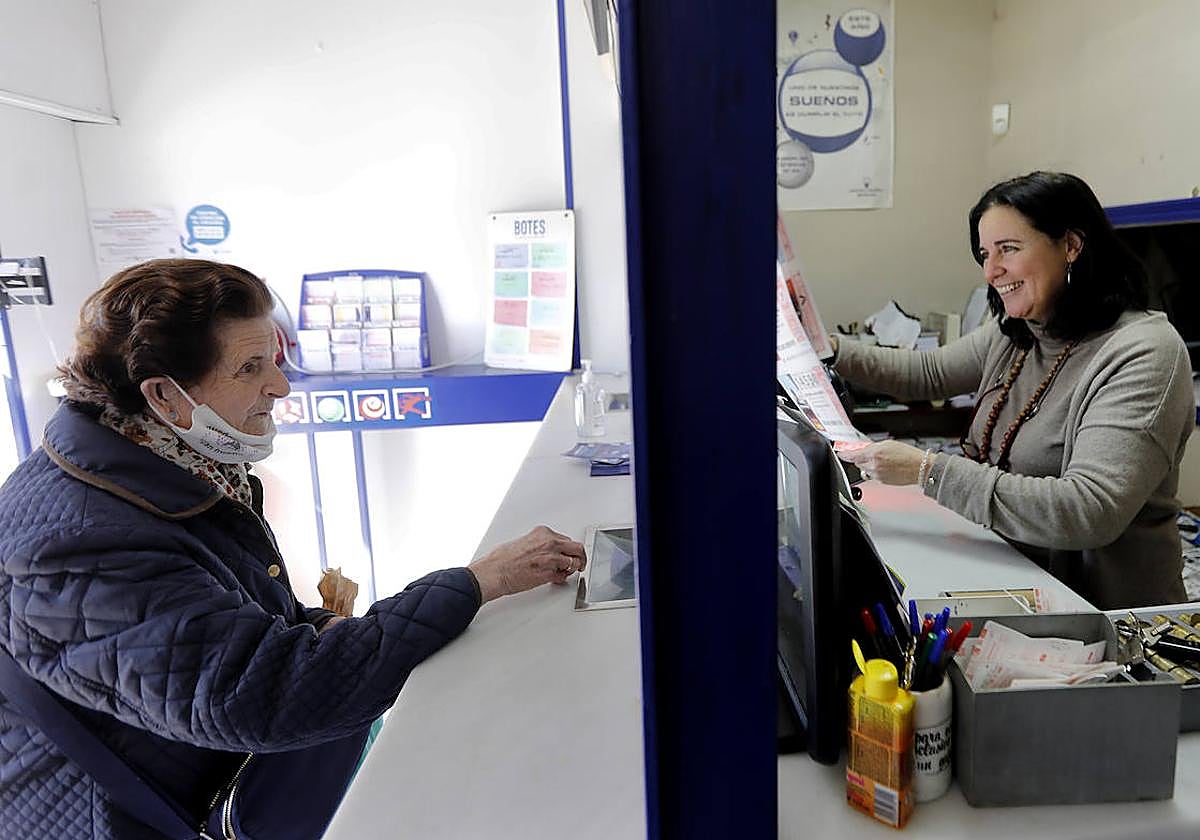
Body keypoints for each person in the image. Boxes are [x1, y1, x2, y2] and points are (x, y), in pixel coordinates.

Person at [0, 259, 587, 839]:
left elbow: (235, 624)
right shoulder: (82, 543)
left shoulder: (160, 466)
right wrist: (475, 584)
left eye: (275, 357)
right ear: (165, 396)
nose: (279, 386)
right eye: (251, 367)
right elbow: (259, 692)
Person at [834, 171, 1192, 610]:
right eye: (985, 254)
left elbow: (1089, 510)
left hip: (1108, 619)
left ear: (1071, 246)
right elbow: (926, 372)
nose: (991, 271)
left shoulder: (1144, 351)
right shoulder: (1020, 330)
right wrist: (829, 349)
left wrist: (929, 471)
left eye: (1009, 249)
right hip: (1015, 580)